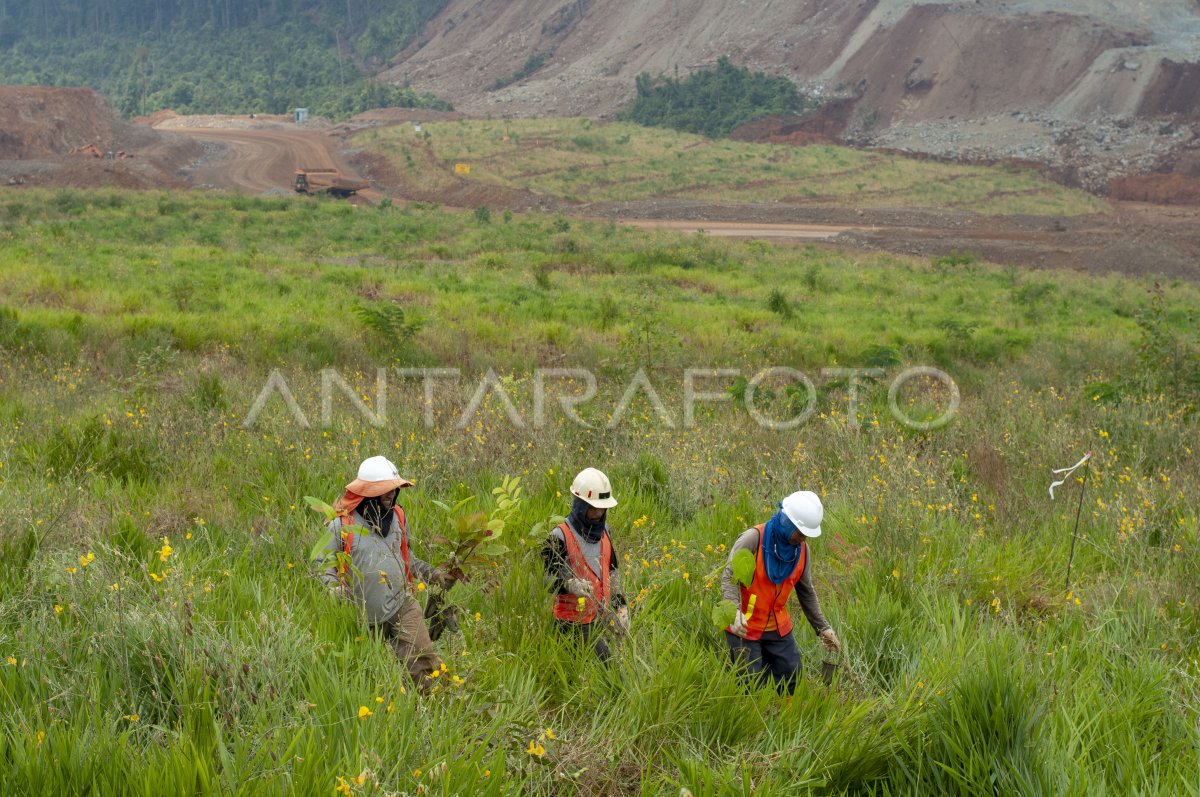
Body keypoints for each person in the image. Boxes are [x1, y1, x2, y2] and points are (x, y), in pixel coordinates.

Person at [321, 455, 452, 689]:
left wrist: (434, 575)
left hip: (402, 605)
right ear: (368, 493)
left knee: (423, 661)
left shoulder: (398, 517)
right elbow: (324, 567)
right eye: (386, 490)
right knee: (372, 680)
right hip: (362, 619)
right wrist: (335, 590)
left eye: (394, 489)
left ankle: (434, 708)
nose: (392, 494)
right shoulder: (341, 525)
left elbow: (407, 558)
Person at [721, 490, 841, 694]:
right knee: (749, 684)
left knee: (792, 676)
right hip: (744, 626)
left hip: (778, 627)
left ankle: (787, 720)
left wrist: (823, 628)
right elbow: (728, 577)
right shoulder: (753, 539)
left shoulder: (802, 550)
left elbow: (806, 592)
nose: (803, 539)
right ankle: (751, 721)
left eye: (806, 535)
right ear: (787, 523)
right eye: (800, 533)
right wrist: (734, 612)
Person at [541, 467, 629, 663]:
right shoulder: (558, 536)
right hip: (570, 625)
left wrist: (620, 606)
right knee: (609, 672)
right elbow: (544, 580)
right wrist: (569, 585)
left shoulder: (605, 531)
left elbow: (612, 571)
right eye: (592, 508)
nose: (598, 513)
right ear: (579, 504)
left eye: (602, 508)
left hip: (600, 618)